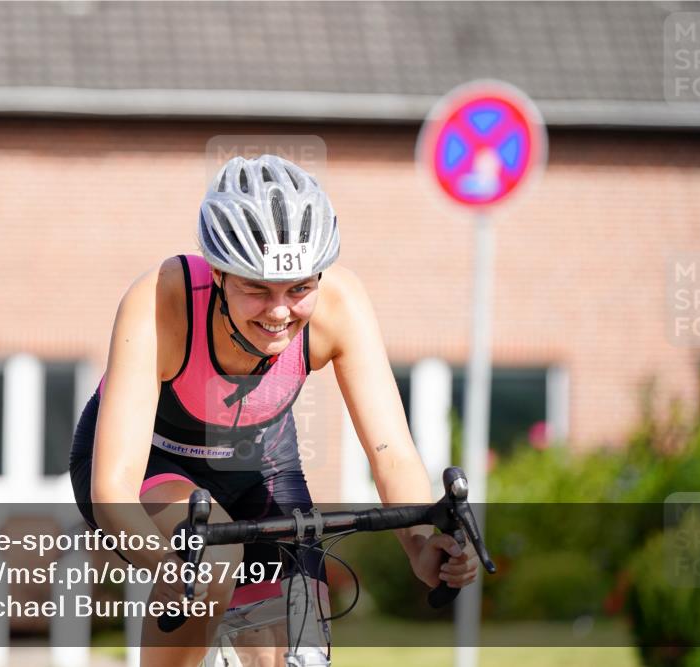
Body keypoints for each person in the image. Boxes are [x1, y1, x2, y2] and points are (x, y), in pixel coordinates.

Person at [69, 154, 478, 667]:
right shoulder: (163, 299)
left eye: (300, 288)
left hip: (259, 464)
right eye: (256, 289)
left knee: (295, 641)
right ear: (218, 273)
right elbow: (113, 489)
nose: (281, 311)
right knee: (212, 563)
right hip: (152, 465)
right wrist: (174, 570)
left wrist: (420, 543)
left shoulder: (340, 306)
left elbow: (391, 453)